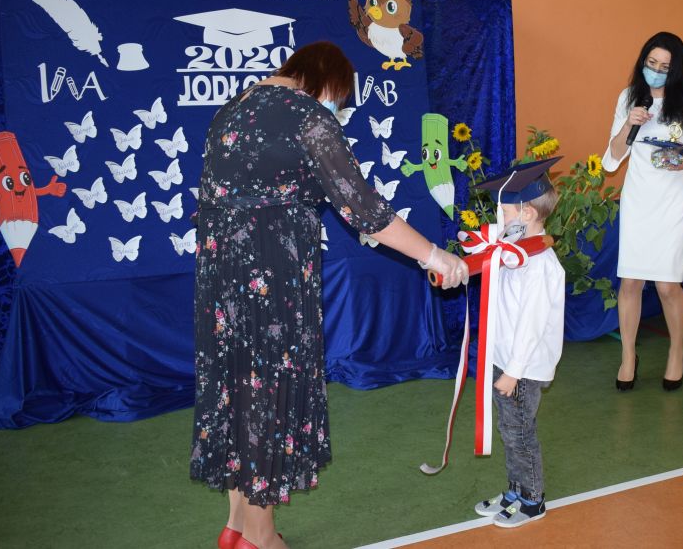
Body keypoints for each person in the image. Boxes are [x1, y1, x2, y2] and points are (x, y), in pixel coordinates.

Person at [189, 41, 468, 549]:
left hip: (220, 277)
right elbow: (364, 208)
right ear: (325, 81)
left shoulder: (231, 110)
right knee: (268, 396)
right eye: (339, 98)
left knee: (236, 391)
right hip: (272, 275)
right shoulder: (307, 116)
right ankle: (260, 537)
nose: (337, 109)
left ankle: (235, 526)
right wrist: (435, 256)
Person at [601, 31, 683, 392]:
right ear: (643, 62)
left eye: (665, 66)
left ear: (676, 69)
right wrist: (629, 123)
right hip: (639, 197)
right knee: (631, 281)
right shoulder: (628, 97)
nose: (657, 71)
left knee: (666, 284)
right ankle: (628, 356)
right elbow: (613, 156)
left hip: (676, 199)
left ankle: (676, 351)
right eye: (652, 63)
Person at [471, 158, 566, 528]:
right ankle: (515, 490)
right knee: (509, 431)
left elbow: (531, 325)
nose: (500, 219)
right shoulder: (516, 255)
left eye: (505, 212)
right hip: (506, 360)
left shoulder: (541, 266)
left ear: (527, 213)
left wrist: (512, 372)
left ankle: (532, 499)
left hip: (522, 368)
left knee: (520, 434)